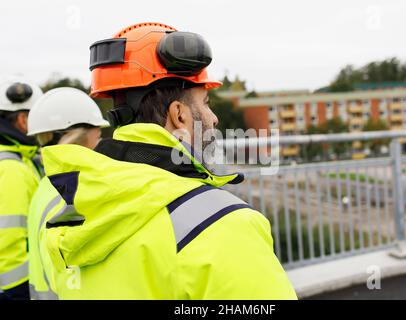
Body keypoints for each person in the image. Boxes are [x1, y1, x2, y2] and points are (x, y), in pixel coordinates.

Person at [40, 22, 297, 299]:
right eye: (206, 103)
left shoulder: (71, 213)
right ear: (179, 115)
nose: (213, 118)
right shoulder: (223, 223)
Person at [26, 87, 109, 300]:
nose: (100, 144)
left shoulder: (47, 185)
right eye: (97, 136)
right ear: (78, 137)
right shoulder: (71, 192)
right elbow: (76, 276)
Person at [0, 81, 43, 300]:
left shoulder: (17, 161)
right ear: (23, 120)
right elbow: (8, 234)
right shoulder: (11, 168)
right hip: (15, 287)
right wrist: (18, 290)